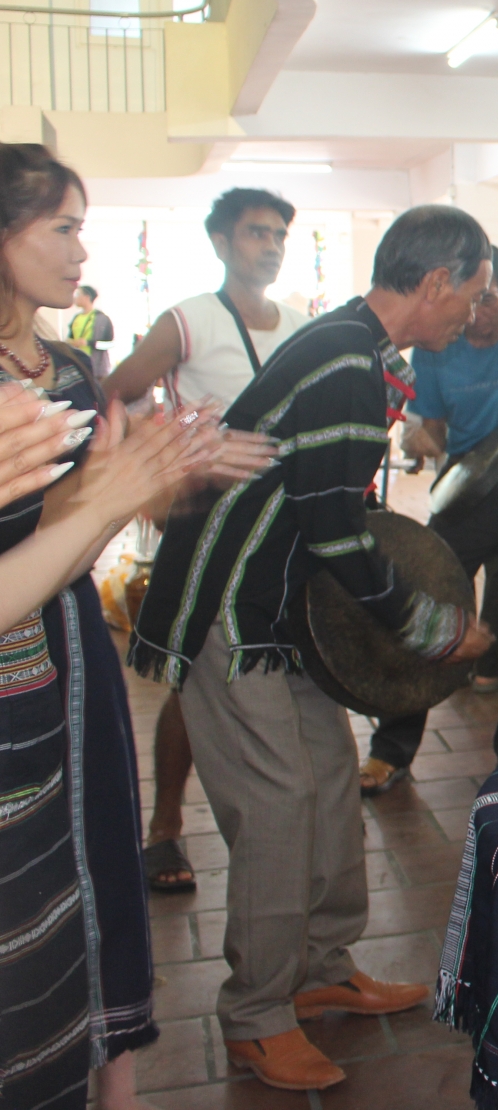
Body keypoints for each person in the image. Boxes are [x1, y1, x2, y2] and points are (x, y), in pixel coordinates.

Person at [131, 204, 497, 1093]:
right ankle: (257, 1013)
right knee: (279, 803)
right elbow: (338, 532)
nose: (477, 313)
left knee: (329, 775)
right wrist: (437, 630)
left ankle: (323, 968)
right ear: (437, 280)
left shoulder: (349, 346)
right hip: (232, 607)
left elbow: (325, 515)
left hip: (278, 608)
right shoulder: (344, 364)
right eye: (475, 293)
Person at [0, 143, 237, 1110]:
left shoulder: (61, 365)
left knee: (97, 844)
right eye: (61, 226)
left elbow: (83, 513)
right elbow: (68, 519)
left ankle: (117, 1080)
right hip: (16, 659)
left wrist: (164, 480)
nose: (79, 248)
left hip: (66, 645)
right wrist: (110, 497)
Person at [105, 185, 312, 894]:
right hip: (207, 530)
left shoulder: (300, 322)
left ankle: (275, 825)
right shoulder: (187, 320)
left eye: (279, 235)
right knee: (193, 677)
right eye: (256, 233)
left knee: (262, 674)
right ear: (222, 243)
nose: (271, 246)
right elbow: (115, 394)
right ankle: (165, 826)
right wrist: (171, 461)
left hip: (280, 532)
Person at [359, 247, 498, 796]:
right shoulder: (438, 344)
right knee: (432, 606)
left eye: (490, 299)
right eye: (470, 301)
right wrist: (424, 438)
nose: (478, 314)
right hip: (462, 490)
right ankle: (391, 751)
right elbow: (429, 425)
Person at [66, 282, 113, 374]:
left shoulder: (102, 319)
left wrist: (89, 343)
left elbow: (110, 344)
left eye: (78, 294)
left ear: (87, 297)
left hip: (97, 368)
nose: (75, 298)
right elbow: (69, 338)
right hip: (78, 366)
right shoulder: (76, 318)